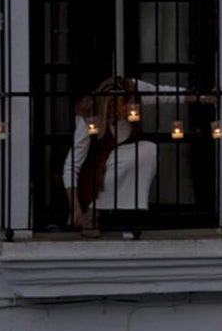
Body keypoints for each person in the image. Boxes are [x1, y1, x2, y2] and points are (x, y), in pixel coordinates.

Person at [62, 76, 186, 236]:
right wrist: (75, 208)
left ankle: (129, 212)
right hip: (95, 170)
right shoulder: (88, 116)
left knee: (148, 150)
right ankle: (92, 214)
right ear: (109, 106)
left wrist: (203, 97)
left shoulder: (133, 89)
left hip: (120, 159)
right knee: (120, 163)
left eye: (127, 108)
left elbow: (163, 94)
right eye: (120, 110)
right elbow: (72, 164)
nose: (125, 114)